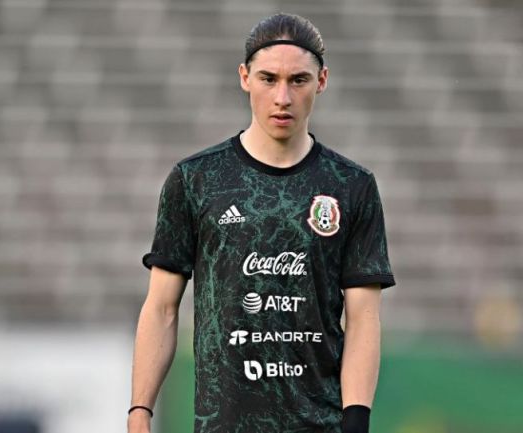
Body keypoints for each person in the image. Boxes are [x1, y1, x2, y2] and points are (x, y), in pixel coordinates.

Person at [127, 12, 396, 433]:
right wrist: (140, 410)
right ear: (244, 77)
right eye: (269, 79)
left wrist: (356, 419)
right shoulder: (195, 180)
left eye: (299, 80)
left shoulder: (352, 186)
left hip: (318, 424)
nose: (283, 97)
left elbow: (363, 317)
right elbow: (161, 307)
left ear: (321, 80)